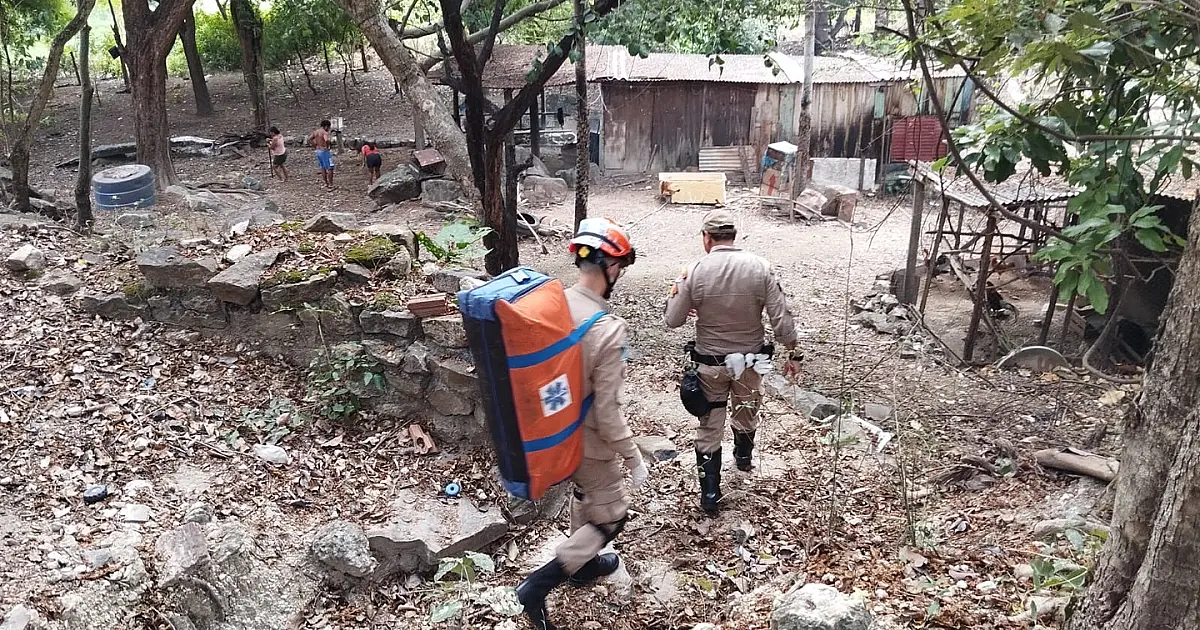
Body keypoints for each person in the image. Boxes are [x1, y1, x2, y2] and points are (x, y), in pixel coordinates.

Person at [516, 218, 648, 630]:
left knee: (584, 493)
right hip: (590, 441)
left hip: (547, 431)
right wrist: (633, 456)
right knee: (611, 516)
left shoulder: (550, 302)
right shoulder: (607, 330)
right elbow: (608, 413)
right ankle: (537, 586)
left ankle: (585, 566)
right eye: (620, 268)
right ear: (612, 268)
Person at [664, 210, 801, 515]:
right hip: (751, 363)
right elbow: (782, 320)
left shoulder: (695, 271)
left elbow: (672, 319)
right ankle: (743, 458)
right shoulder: (760, 268)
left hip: (709, 365)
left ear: (707, 238)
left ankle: (710, 496)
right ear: (734, 236)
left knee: (710, 426)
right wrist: (793, 353)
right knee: (746, 409)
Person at [308, 120, 335, 190]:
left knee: (322, 167)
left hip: (318, 150)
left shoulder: (316, 132)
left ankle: (326, 183)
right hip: (324, 151)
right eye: (328, 127)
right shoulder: (324, 132)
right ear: (326, 126)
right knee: (330, 167)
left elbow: (309, 139)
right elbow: (326, 140)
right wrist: (328, 146)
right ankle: (331, 184)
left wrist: (314, 146)